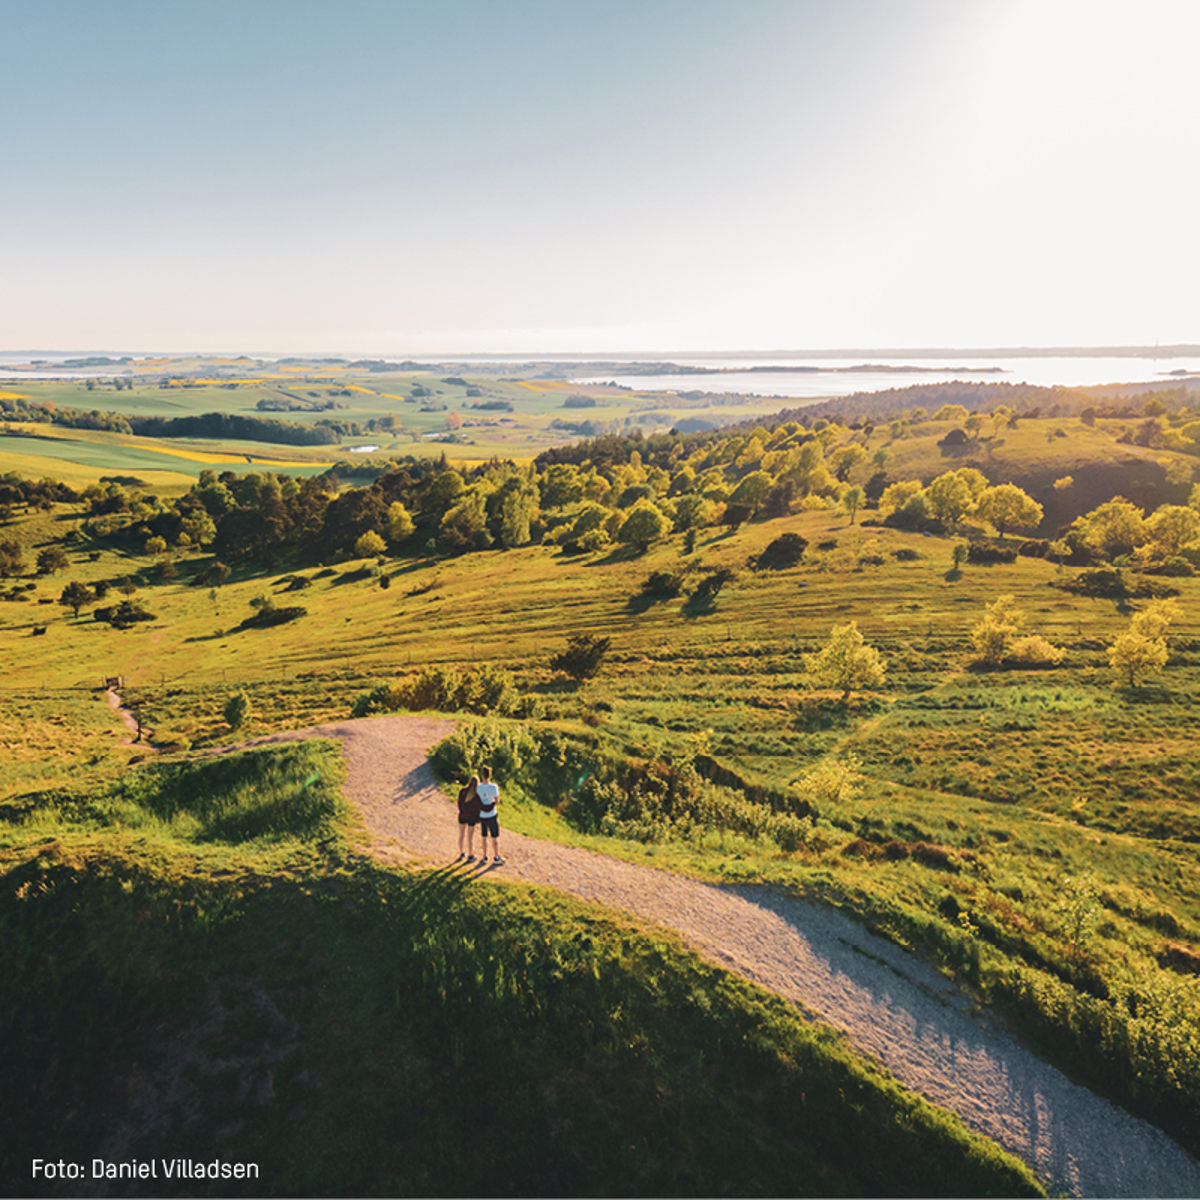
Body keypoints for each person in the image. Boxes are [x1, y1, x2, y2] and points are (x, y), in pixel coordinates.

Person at [475, 765, 502, 864]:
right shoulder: (494, 787)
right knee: (494, 836)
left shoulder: (478, 787)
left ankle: (485, 856)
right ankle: (496, 856)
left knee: (484, 836)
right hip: (492, 814)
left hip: (482, 814)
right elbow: (496, 800)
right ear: (490, 775)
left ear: (482, 775)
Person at [456, 774, 481, 860]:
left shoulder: (463, 790)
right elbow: (478, 808)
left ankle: (461, 853)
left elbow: (459, 803)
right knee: (470, 837)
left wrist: (461, 811)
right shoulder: (477, 795)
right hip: (471, 818)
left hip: (462, 815)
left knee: (461, 835)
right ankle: (470, 854)